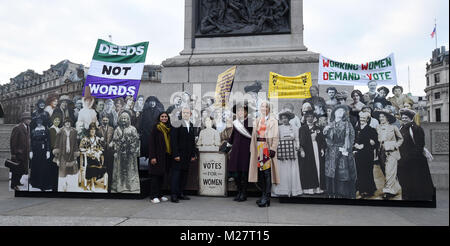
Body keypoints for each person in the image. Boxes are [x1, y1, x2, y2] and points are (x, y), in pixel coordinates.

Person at [397, 108, 435, 201]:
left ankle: (419, 198)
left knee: (417, 179)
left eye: (406, 117)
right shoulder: (401, 128)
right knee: (405, 180)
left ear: (411, 118)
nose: (404, 119)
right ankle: (408, 197)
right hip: (403, 159)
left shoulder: (416, 128)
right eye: (403, 117)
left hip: (415, 160)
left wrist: (409, 157)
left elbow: (420, 145)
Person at [249, 101, 280, 207]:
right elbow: (254, 136)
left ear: (269, 109)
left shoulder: (273, 121)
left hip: (267, 148)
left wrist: (273, 148)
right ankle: (263, 195)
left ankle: (266, 197)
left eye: (266, 107)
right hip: (258, 148)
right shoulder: (257, 120)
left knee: (267, 173)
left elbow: (276, 136)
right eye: (262, 107)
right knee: (260, 173)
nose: (264, 108)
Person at [323, 105, 357, 199]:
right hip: (332, 152)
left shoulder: (347, 124)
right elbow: (327, 139)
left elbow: (351, 137)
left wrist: (347, 149)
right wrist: (326, 133)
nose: (339, 113)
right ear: (334, 113)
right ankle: (332, 193)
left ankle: (343, 194)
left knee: (343, 173)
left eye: (342, 112)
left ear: (344, 114)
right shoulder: (330, 124)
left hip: (343, 151)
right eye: (338, 111)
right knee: (332, 172)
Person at [169, 107, 198, 203]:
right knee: (176, 175)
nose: (185, 114)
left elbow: (192, 142)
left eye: (187, 113)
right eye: (184, 113)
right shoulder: (176, 124)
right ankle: (174, 195)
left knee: (184, 175)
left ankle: (180, 193)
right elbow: (173, 141)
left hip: (187, 156)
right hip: (178, 156)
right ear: (181, 114)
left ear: (190, 114)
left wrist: (193, 154)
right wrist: (176, 154)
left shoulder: (191, 125)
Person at [373, 110, 403, 200]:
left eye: (383, 117)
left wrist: (395, 146)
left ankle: (388, 191)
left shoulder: (393, 128)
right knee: (386, 171)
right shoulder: (377, 128)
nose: (381, 118)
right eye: (380, 117)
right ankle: (394, 188)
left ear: (387, 118)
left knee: (390, 171)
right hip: (381, 152)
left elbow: (400, 139)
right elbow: (375, 139)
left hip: (391, 152)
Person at [272, 111, 302, 197]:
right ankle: (282, 190)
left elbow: (297, 139)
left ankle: (292, 190)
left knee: (292, 170)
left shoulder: (295, 128)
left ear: (289, 119)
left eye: (286, 118)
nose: (284, 120)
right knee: (283, 170)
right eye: (282, 118)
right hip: (282, 151)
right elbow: (276, 139)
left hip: (292, 151)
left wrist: (297, 147)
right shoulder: (279, 128)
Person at [110, 110, 141, 193]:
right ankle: (120, 186)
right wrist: (116, 150)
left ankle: (131, 186)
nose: (124, 120)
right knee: (119, 170)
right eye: (122, 118)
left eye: (125, 118)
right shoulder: (117, 129)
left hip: (130, 154)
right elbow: (114, 140)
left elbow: (136, 140)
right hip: (120, 153)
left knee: (130, 170)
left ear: (128, 119)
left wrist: (130, 144)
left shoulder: (133, 129)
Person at [228, 102, 253, 202]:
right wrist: (227, 145)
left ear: (246, 112)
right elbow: (232, 137)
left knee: (244, 173)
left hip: (246, 150)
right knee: (236, 173)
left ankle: (244, 193)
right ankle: (239, 191)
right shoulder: (236, 123)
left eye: (242, 110)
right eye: (238, 111)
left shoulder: (251, 122)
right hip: (236, 150)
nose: (240, 112)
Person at [299, 110, 327, 195]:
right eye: (308, 117)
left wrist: (322, 149)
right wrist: (302, 150)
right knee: (308, 168)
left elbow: (322, 140)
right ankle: (309, 189)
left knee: (318, 167)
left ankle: (318, 188)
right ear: (305, 118)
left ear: (314, 118)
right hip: (307, 150)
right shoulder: (302, 128)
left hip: (316, 149)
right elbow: (301, 141)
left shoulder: (318, 128)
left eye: (311, 117)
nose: (310, 118)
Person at [353, 111, 379, 199]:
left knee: (367, 172)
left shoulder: (371, 130)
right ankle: (360, 189)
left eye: (364, 118)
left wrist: (365, 145)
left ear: (367, 120)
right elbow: (354, 140)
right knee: (359, 172)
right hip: (358, 154)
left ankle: (368, 190)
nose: (362, 120)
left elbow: (376, 144)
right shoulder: (356, 129)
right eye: (361, 118)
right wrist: (355, 146)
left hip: (367, 155)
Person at [148, 112, 172, 204]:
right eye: (162, 116)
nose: (164, 118)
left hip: (165, 156)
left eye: (166, 117)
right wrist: (153, 157)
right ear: (159, 118)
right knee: (155, 177)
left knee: (162, 176)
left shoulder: (168, 128)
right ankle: (153, 196)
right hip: (156, 157)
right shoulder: (156, 128)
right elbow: (151, 143)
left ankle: (160, 195)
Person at [53, 118, 80, 192]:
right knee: (62, 170)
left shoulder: (74, 131)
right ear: (64, 123)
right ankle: (63, 186)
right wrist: (57, 154)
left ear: (71, 123)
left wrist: (76, 153)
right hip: (62, 153)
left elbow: (75, 144)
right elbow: (57, 143)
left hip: (71, 154)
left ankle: (69, 185)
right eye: (66, 122)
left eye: (69, 122)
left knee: (70, 171)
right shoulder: (60, 131)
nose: (68, 123)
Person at [79, 123, 106, 192]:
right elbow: (81, 148)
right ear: (89, 131)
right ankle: (91, 183)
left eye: (94, 130)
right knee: (92, 163)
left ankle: (92, 182)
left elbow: (101, 149)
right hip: (88, 158)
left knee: (98, 163)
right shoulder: (85, 139)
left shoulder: (98, 139)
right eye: (91, 130)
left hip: (96, 157)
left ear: (95, 131)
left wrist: (98, 152)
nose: (92, 131)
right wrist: (87, 152)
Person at [9, 112, 32, 191]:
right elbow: (13, 141)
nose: (29, 120)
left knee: (22, 169)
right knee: (16, 170)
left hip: (25, 153)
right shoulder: (17, 128)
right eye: (28, 119)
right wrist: (14, 153)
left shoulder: (27, 127)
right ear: (23, 119)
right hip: (19, 153)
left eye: (30, 119)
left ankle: (18, 181)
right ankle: (13, 185)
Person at [29, 117, 53, 191]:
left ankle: (44, 184)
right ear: (36, 122)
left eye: (40, 121)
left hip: (43, 150)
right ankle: (35, 183)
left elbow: (48, 141)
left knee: (43, 167)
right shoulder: (33, 131)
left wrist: (48, 151)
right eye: (37, 122)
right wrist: (31, 151)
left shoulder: (46, 130)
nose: (39, 123)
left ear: (42, 122)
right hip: (36, 151)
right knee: (36, 166)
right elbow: (31, 141)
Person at [96, 114, 115, 192]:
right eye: (104, 120)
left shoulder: (111, 129)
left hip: (110, 152)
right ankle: (101, 186)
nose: (105, 121)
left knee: (110, 169)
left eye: (106, 120)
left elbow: (114, 138)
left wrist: (112, 143)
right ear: (101, 121)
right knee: (101, 169)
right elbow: (95, 139)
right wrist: (99, 139)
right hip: (101, 152)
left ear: (109, 121)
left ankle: (109, 186)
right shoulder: (98, 129)